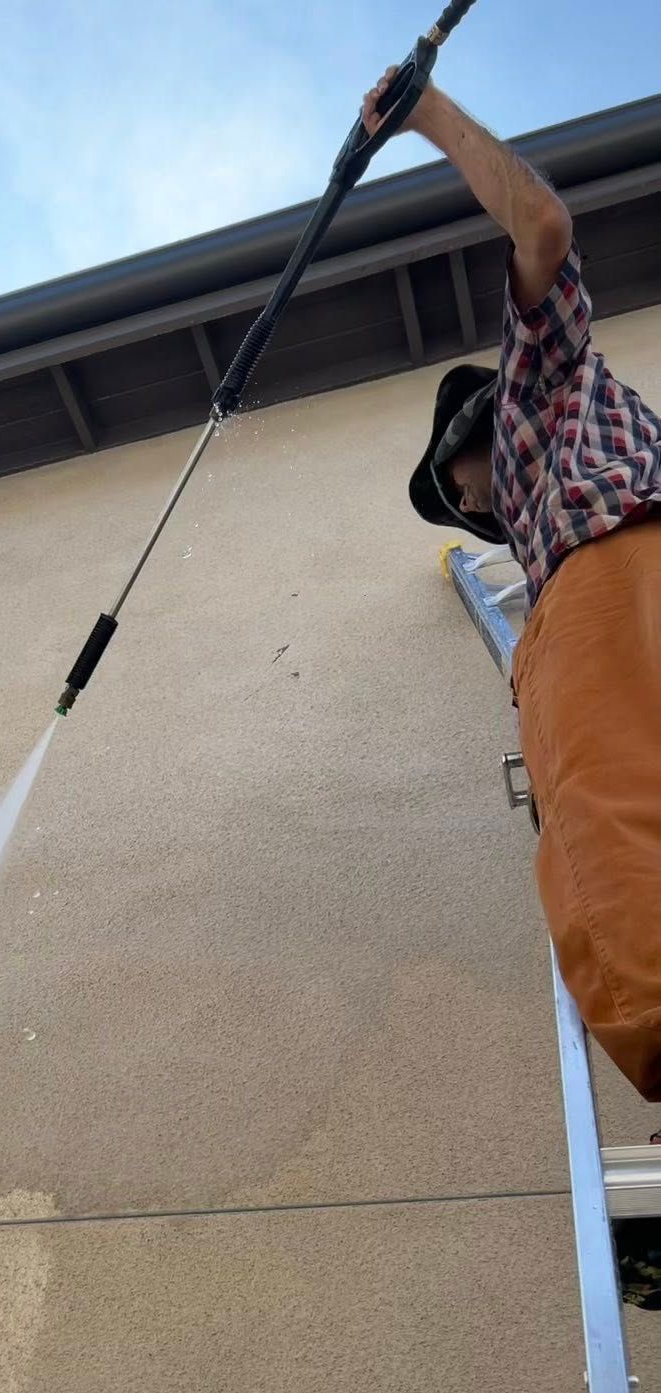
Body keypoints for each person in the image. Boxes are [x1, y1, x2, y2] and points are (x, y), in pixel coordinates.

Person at [362, 74, 661, 1303]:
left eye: (458, 480)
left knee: (613, 850)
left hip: (619, 586)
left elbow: (540, 227)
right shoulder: (541, 526)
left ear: (478, 435)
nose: (470, 504)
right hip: (607, 592)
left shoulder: (539, 403)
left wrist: (422, 119)